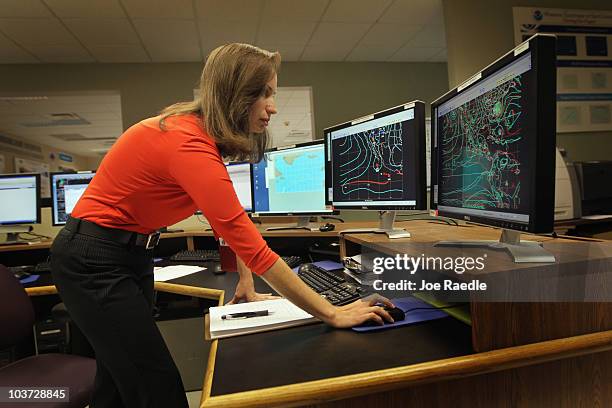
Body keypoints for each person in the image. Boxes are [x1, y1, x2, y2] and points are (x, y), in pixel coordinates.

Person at [50, 43, 394, 408]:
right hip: (93, 260)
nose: (272, 107)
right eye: (264, 94)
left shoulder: (197, 137)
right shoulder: (188, 144)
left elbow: (230, 223)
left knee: (119, 380)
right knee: (156, 385)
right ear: (236, 96)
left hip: (125, 255)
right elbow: (254, 247)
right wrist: (333, 312)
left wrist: (245, 282)